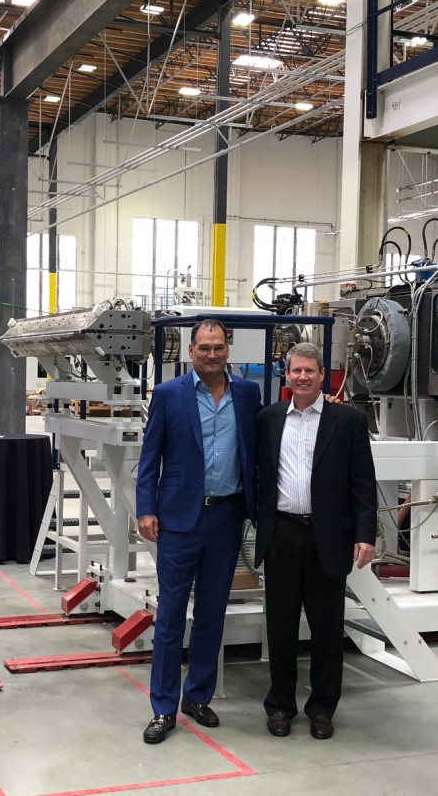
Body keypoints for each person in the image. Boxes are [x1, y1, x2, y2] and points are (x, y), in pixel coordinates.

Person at [135, 318, 261, 745]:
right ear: (191, 351)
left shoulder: (247, 394)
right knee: (171, 615)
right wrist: (145, 509)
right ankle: (163, 707)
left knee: (211, 613)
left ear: (229, 350)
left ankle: (198, 696)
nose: (212, 354)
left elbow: (255, 452)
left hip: (227, 518)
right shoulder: (169, 395)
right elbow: (150, 456)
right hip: (178, 520)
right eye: (204, 347)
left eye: (219, 347)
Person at [254, 341, 376, 740]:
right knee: (281, 626)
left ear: (323, 375)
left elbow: (362, 483)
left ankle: (322, 708)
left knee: (326, 628)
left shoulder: (348, 421)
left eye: (310, 371)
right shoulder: (269, 419)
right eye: (296, 371)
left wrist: (364, 534)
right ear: (286, 376)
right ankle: (280, 706)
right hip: (282, 535)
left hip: (329, 538)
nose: (302, 377)